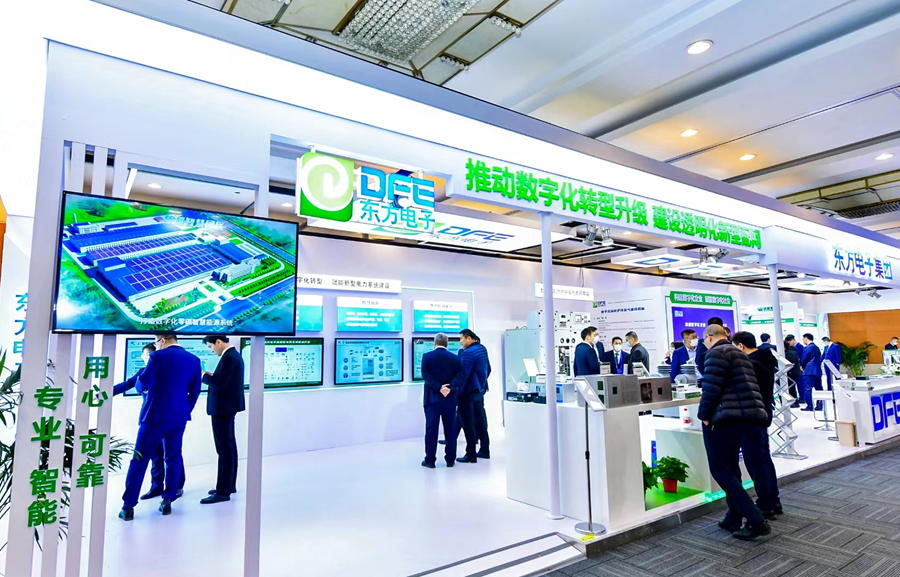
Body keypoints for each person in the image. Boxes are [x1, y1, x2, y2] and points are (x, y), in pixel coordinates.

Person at [697, 324, 771, 540]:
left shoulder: (715, 353)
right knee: (731, 468)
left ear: (709, 337)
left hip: (725, 418)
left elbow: (711, 388)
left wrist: (703, 415)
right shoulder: (739, 353)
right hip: (746, 416)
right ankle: (734, 517)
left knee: (720, 469)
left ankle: (756, 520)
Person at [120, 334, 202, 521]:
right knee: (173, 457)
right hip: (179, 417)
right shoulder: (194, 360)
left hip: (154, 416)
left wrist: (139, 388)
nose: (156, 345)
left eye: (156, 342)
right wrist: (184, 410)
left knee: (139, 459)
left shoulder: (157, 356)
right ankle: (167, 501)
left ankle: (128, 507)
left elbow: (143, 382)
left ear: (162, 340)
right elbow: (195, 391)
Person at [113, 343, 185, 501]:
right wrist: (106, 392)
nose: (143, 357)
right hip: (150, 419)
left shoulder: (167, 372)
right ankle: (156, 486)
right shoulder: (142, 372)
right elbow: (127, 384)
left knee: (172, 454)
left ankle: (177, 486)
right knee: (155, 454)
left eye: (146, 355)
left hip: (169, 419)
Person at [732, 332, 783, 518]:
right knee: (764, 459)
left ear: (741, 346)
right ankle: (773, 500)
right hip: (763, 412)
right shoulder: (765, 359)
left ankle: (765, 504)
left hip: (752, 415)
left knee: (755, 461)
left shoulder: (750, 364)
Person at [200, 335, 246, 504]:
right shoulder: (233, 356)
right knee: (229, 447)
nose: (212, 350)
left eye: (211, 346)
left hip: (222, 408)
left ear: (218, 342)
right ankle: (229, 485)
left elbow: (220, 383)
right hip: (227, 407)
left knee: (224, 449)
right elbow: (225, 380)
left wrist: (204, 376)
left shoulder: (229, 357)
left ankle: (222, 492)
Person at [421, 333, 461, 468]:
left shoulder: (427, 357)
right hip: (449, 399)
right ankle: (450, 460)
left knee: (431, 430)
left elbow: (425, 375)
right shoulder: (455, 359)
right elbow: (460, 376)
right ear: (447, 344)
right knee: (450, 430)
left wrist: (438, 387)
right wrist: (449, 388)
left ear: (435, 343)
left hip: (432, 400)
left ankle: (430, 460)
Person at [451, 329, 491, 463]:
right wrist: (481, 383)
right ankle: (485, 450)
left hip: (468, 393)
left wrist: (457, 392)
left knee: (468, 425)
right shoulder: (482, 349)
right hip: (479, 391)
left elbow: (464, 374)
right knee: (480, 422)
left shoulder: (468, 353)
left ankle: (471, 455)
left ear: (469, 338)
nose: (460, 342)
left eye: (461, 339)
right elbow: (488, 369)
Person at [799, 334, 822, 411]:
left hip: (809, 371)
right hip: (817, 370)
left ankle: (809, 406)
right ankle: (819, 405)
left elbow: (804, 359)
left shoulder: (807, 348)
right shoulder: (816, 347)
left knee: (808, 389)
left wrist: (802, 366)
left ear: (806, 338)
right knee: (819, 388)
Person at [784, 338, 802, 408]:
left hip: (792, 372)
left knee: (791, 388)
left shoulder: (790, 353)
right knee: (791, 388)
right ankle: (794, 401)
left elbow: (791, 363)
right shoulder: (791, 351)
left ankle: (795, 402)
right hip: (793, 372)